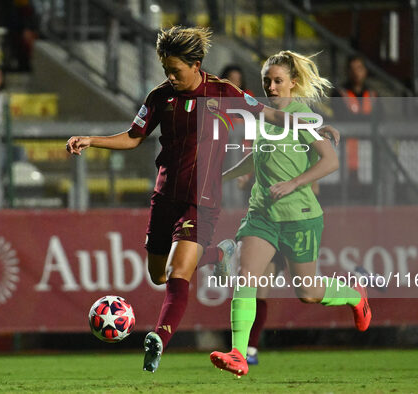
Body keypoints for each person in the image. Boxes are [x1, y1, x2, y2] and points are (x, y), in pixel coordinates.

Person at [66, 26, 339, 374]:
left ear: (195, 64)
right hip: (164, 198)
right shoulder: (159, 97)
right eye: (166, 69)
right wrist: (92, 140)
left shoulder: (224, 93)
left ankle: (159, 340)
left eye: (175, 70)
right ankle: (219, 253)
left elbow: (271, 115)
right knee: (158, 274)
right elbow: (134, 137)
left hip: (201, 200)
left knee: (177, 272)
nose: (170, 76)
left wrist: (314, 129)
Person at [209, 50, 371, 377]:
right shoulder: (265, 116)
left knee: (308, 293)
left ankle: (354, 295)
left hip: (300, 216)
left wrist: (294, 182)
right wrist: (221, 176)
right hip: (262, 214)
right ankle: (239, 353)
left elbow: (331, 161)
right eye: (267, 80)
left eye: (278, 81)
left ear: (293, 84)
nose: (271, 86)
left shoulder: (302, 117)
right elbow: (259, 156)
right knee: (246, 278)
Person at [331, 56, 380, 185]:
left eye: (359, 68)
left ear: (365, 71)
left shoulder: (373, 94)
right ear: (347, 71)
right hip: (346, 149)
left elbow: (380, 117)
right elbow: (342, 116)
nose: (356, 73)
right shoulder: (339, 93)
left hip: (369, 149)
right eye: (352, 69)